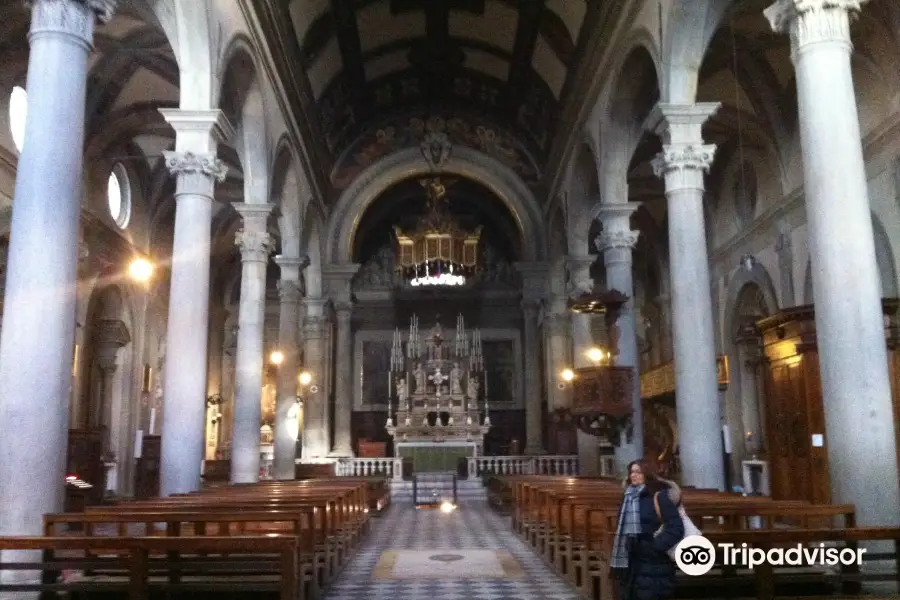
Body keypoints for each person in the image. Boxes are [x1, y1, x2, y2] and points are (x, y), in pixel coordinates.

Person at [610, 459, 684, 600]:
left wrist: (656, 546)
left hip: (654, 561)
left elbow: (676, 526)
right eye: (631, 472)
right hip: (632, 559)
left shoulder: (659, 497)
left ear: (648, 474)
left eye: (638, 472)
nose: (633, 475)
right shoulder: (628, 497)